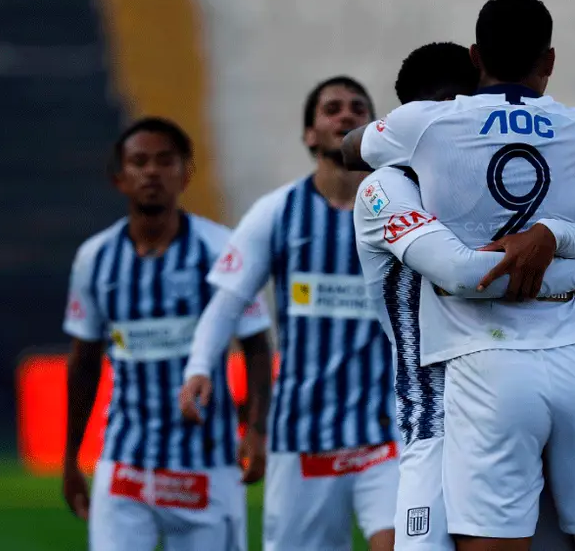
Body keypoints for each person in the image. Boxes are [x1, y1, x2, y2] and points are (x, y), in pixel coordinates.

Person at [343, 0, 575, 551]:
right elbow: (463, 273)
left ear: (478, 62)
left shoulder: (445, 142)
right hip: (439, 418)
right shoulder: (385, 187)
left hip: (494, 381)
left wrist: (559, 239)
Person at [179, 77, 398, 551]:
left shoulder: (400, 207)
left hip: (388, 433)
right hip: (303, 439)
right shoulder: (278, 212)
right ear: (310, 134)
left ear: (374, 130)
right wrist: (199, 367)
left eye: (358, 108)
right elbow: (227, 302)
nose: (346, 115)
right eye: (332, 108)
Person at [61, 117, 272, 551]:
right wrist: (70, 457)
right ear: (119, 177)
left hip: (207, 466)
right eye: (139, 162)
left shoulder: (222, 249)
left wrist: (256, 429)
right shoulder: (94, 258)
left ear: (185, 173)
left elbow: (256, 344)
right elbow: (83, 362)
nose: (152, 172)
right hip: (126, 464)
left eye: (164, 161)